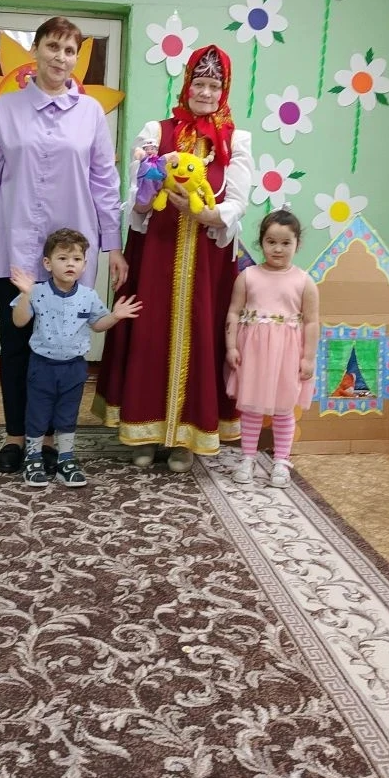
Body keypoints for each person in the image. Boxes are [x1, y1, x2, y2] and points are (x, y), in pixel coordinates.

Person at [0, 16, 127, 475]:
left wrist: (114, 246)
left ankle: (50, 439)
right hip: (11, 247)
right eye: (53, 46)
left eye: (70, 50)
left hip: (70, 258)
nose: (60, 57)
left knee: (62, 348)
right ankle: (16, 437)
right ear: (36, 50)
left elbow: (104, 182)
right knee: (16, 345)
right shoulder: (5, 109)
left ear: (76, 59)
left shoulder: (91, 114)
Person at [93, 44, 253, 472]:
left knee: (200, 335)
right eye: (199, 83)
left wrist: (203, 214)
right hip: (156, 252)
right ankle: (143, 430)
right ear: (187, 85)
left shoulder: (236, 141)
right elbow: (136, 201)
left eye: (214, 85)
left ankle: (186, 438)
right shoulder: (156, 132)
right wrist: (149, 188)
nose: (206, 92)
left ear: (224, 90)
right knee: (149, 333)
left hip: (207, 261)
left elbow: (238, 203)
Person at [11, 228, 142, 488]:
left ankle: (66, 460)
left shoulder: (88, 296)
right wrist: (26, 294)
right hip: (42, 367)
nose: (70, 264)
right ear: (48, 263)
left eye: (77, 259)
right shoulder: (36, 291)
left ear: (84, 264)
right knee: (37, 413)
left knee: (67, 415)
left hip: (74, 368)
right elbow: (19, 321)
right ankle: (33, 458)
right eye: (62, 258)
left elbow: (97, 325)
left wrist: (115, 316)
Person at [224, 209, 320, 488]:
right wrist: (231, 347)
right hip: (253, 354)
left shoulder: (304, 281)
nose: (278, 249)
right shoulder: (248, 276)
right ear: (261, 242)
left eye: (285, 243)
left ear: (297, 244)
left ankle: (281, 461)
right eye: (271, 242)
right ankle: (248, 458)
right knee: (252, 407)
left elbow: (312, 322)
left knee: (283, 409)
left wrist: (308, 358)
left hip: (287, 355)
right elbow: (233, 312)